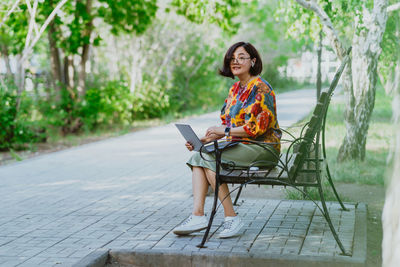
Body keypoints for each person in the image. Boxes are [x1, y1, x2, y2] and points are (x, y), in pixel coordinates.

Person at [173, 42, 281, 238]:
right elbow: (227, 128)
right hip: (241, 145)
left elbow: (257, 128)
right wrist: (203, 140)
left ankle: (232, 218)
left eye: (241, 57)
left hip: (263, 147)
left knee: (209, 159)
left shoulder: (261, 88)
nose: (236, 61)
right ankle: (197, 215)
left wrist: (225, 130)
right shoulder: (235, 90)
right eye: (232, 58)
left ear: (253, 61)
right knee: (199, 155)